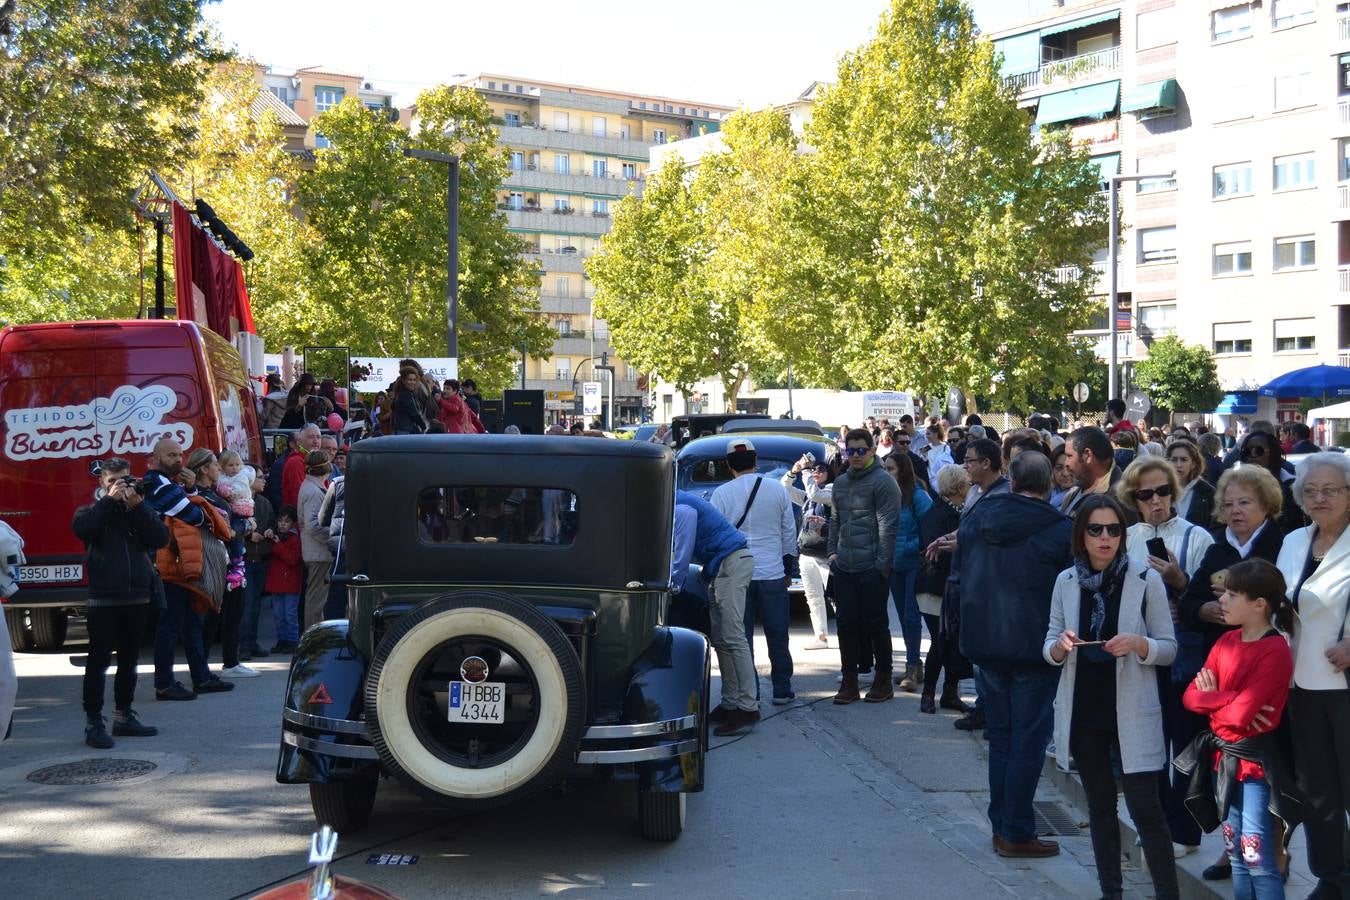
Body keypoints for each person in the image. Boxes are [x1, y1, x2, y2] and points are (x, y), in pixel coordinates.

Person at [1045, 494, 1180, 899]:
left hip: (1133, 711)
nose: (1105, 538)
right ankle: (1111, 893)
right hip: (1085, 711)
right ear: (1081, 535)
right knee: (1101, 809)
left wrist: (1140, 644)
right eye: (1095, 530)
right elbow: (1050, 640)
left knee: (1146, 810)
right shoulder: (1066, 580)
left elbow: (1169, 647)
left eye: (1114, 530)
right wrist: (1059, 647)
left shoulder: (1144, 578)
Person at [959, 452, 1072, 858]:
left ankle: (1004, 826)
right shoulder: (1059, 529)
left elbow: (960, 578)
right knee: (1025, 741)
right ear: (1049, 485)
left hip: (989, 644)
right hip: (1031, 650)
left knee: (1005, 740)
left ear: (1010, 478)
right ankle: (1016, 830)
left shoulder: (976, 517)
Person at [1178, 559, 1299, 900]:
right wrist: (1231, 699)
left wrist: (1214, 699)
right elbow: (1189, 697)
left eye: (1232, 594)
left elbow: (1242, 716)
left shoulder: (1275, 650)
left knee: (1256, 857)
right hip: (1223, 763)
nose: (1222, 600)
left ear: (1259, 604)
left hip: (1257, 768)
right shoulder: (1226, 641)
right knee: (1236, 854)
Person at [1118, 456, 1216, 858]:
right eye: (1146, 494)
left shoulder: (1197, 537)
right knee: (1149, 742)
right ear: (1134, 498)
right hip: (1142, 651)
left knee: (1186, 742)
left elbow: (1213, 600)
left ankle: (1185, 830)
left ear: (1173, 493)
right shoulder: (1126, 538)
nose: (1156, 500)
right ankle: (1156, 823)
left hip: (1188, 653)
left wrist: (1179, 582)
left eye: (1162, 491)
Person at [1276, 452, 1350, 899]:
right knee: (1318, 790)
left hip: (1345, 682)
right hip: (1300, 683)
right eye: (1310, 491)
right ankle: (1332, 877)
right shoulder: (1293, 542)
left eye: (1331, 490)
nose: (1319, 498)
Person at [72, 458, 169, 748]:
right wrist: (109, 502)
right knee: (98, 661)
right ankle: (93, 721)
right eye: (114, 480)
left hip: (137, 596)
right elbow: (83, 530)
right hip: (104, 598)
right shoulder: (91, 511)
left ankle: (124, 715)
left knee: (129, 659)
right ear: (102, 482)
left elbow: (160, 537)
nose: (120, 485)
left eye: (125, 479)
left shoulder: (138, 509)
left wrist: (137, 506)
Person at [146, 439, 235, 700]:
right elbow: (195, 516)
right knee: (171, 624)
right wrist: (192, 497)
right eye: (171, 455)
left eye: (179, 454)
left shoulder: (171, 485)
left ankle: (201, 677)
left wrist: (190, 489)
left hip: (181, 563)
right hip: (170, 564)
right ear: (156, 458)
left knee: (190, 622)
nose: (178, 459)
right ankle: (164, 683)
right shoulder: (158, 484)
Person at [712, 438, 797, 705]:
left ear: (728, 465)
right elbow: (788, 531)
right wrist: (787, 566)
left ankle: (752, 693)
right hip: (772, 572)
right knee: (778, 633)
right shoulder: (777, 490)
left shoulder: (722, 494)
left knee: (741, 636)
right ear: (755, 461)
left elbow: (716, 537)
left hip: (737, 575)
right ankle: (782, 688)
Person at [672, 490, 757, 736]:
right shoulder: (675, 497)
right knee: (721, 639)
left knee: (732, 636)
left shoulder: (676, 504)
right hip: (722, 565)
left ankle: (748, 707)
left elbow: (683, 551)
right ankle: (731, 703)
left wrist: (675, 585)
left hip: (730, 563)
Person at [828, 428, 902, 704]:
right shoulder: (841, 482)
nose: (856, 456)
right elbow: (835, 521)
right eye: (851, 451)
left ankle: (883, 679)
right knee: (846, 625)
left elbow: (889, 527)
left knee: (876, 625)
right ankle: (849, 681)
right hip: (845, 565)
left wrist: (881, 567)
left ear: (872, 450)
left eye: (861, 450)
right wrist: (832, 554)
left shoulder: (883, 482)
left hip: (872, 567)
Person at [187, 449, 258, 680]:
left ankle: (230, 661)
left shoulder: (214, 492)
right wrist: (247, 527)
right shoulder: (202, 495)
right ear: (204, 470)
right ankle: (202, 667)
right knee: (212, 616)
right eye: (216, 465)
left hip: (230, 559)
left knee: (232, 612)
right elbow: (221, 528)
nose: (220, 468)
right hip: (216, 560)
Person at [916, 464, 970, 714]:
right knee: (940, 641)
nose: (970, 487)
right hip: (934, 588)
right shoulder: (937, 515)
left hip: (955, 587)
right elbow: (933, 554)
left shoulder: (965, 512)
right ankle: (928, 694)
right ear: (959, 487)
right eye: (967, 483)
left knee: (955, 640)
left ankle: (950, 692)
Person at [884, 450, 932, 693]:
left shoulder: (918, 495)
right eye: (885, 468)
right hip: (894, 564)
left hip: (915, 562)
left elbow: (930, 528)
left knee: (912, 616)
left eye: (890, 468)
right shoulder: (885, 495)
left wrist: (909, 547)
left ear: (902, 470)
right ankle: (915, 664)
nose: (887, 473)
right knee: (903, 617)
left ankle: (912, 667)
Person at [782, 454, 835, 649]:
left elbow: (815, 494)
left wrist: (805, 471)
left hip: (826, 553)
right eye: (814, 470)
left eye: (821, 470)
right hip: (807, 552)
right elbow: (784, 489)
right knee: (813, 596)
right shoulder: (807, 497)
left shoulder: (831, 490)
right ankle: (820, 636)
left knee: (835, 596)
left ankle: (848, 634)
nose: (816, 473)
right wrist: (794, 471)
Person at [1240, 430, 1307, 535]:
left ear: (1273, 453)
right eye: (1247, 451)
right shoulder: (1234, 488)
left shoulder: (1292, 489)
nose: (1252, 455)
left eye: (1259, 450)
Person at [1061, 426, 1132, 521]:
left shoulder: (1120, 498)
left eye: (1069, 456)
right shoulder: (1075, 490)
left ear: (1088, 455)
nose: (1066, 463)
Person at [239, 468, 274, 662]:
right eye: (260, 478)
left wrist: (269, 530)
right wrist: (249, 535)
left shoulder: (265, 503)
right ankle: (244, 645)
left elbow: (272, 522)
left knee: (256, 604)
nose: (264, 481)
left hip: (261, 559)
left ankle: (252, 642)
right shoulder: (239, 503)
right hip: (245, 559)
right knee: (247, 604)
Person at [299, 450, 335, 631]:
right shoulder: (313, 491)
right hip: (318, 552)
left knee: (317, 598)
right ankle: (312, 638)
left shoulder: (311, 487)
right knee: (316, 599)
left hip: (316, 551)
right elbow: (313, 525)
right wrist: (333, 536)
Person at [265, 506, 303, 654]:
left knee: (290, 614)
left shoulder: (294, 539)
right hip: (276, 583)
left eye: (287, 521)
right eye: (280, 521)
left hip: (291, 584)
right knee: (278, 615)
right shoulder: (274, 536)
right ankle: (282, 640)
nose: (282, 524)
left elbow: (293, 560)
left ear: (293, 523)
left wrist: (278, 545)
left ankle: (292, 640)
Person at [1168, 439, 1216, 531]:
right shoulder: (1161, 490)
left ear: (1193, 464)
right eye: (1174, 460)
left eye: (1184, 460)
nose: (1178, 465)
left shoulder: (1207, 492)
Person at [282, 424, 322, 509]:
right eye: (311, 437)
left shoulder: (316, 461)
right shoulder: (296, 462)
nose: (316, 441)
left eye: (318, 437)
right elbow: (300, 496)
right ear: (299, 442)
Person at [392, 367, 428, 434]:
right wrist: (424, 426)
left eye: (414, 380)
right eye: (410, 380)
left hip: (403, 429)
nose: (413, 382)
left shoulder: (401, 394)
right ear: (403, 380)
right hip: (405, 431)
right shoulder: (405, 395)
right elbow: (413, 413)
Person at [920, 420, 954, 492]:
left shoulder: (945, 447)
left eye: (928, 434)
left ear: (936, 434)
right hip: (929, 482)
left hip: (943, 481)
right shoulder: (925, 448)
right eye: (926, 434)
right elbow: (923, 464)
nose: (926, 436)